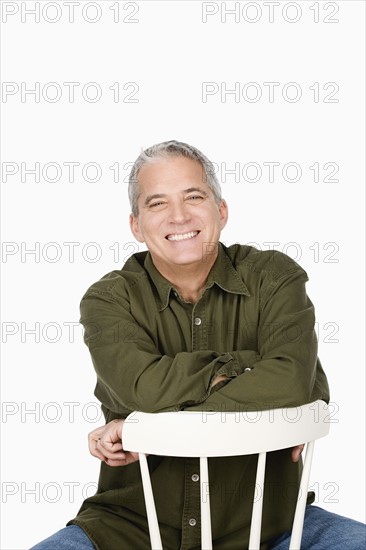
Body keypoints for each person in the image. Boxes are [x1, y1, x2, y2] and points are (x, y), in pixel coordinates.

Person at [31, 141, 365, 549]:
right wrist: (251, 372)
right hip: (128, 529)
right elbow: (143, 388)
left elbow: (293, 379)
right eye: (157, 203)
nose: (179, 215)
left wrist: (142, 425)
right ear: (136, 225)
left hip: (269, 527)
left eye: (194, 196)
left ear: (221, 211)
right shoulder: (108, 300)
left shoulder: (273, 278)